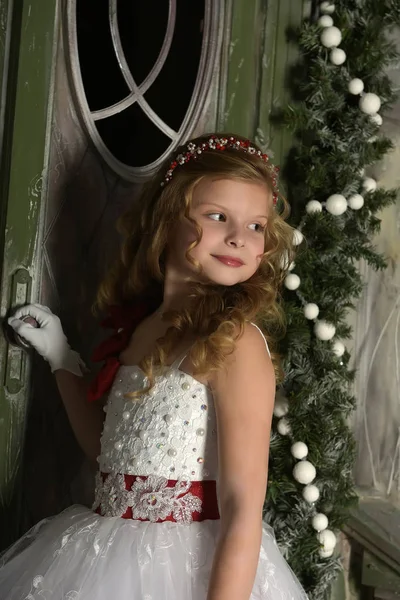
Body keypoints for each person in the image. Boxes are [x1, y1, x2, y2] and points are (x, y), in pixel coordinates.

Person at [1, 133, 308, 599]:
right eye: (217, 216)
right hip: (106, 552)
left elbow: (243, 506)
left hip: (186, 570)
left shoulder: (234, 342)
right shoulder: (147, 328)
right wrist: (61, 358)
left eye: (257, 226)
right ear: (168, 220)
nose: (237, 238)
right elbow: (108, 455)